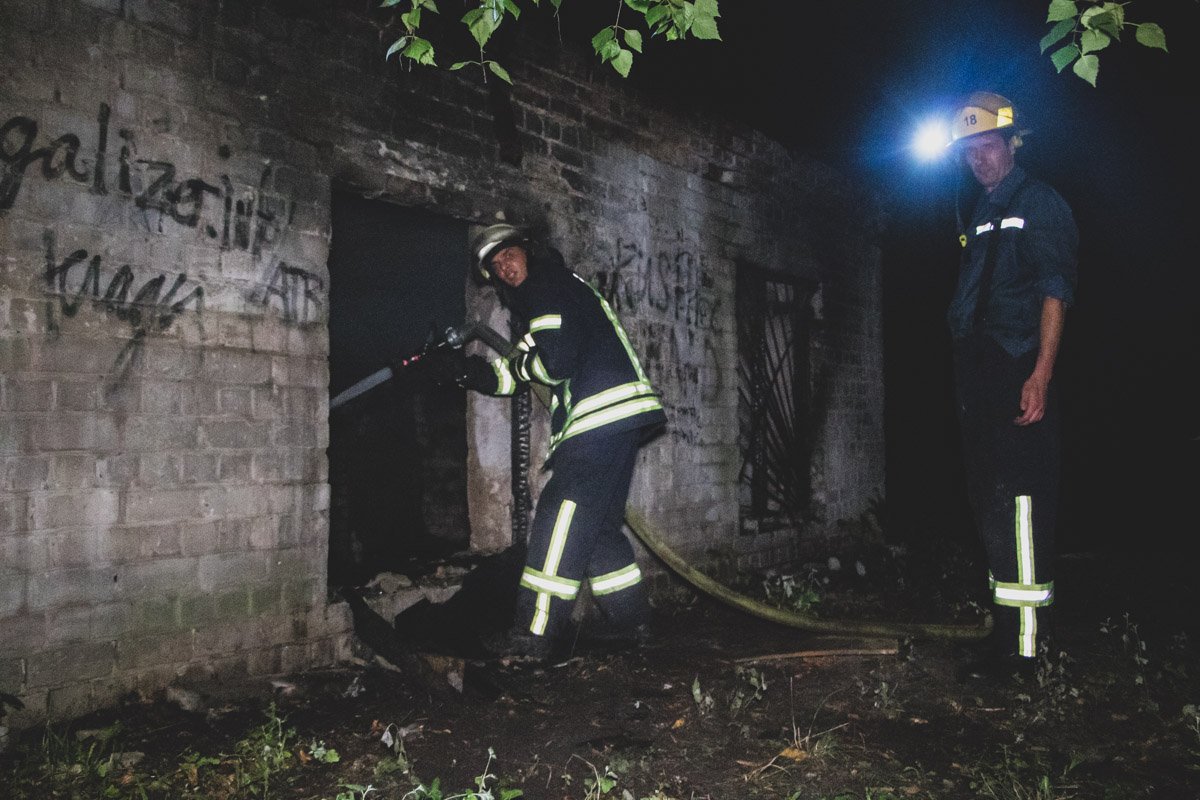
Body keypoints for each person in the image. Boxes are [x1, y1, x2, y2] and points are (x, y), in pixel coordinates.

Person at [451, 223, 667, 662]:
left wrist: (529, 363)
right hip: (619, 417)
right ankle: (631, 624)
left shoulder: (545, 285)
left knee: (559, 515)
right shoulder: (549, 298)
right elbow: (526, 367)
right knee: (599, 529)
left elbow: (557, 361)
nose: (504, 268)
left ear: (526, 251)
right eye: (495, 267)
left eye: (508, 256)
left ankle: (533, 633)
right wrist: (473, 374)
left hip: (600, 417)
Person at [944, 92, 1078, 682]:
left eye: (988, 145)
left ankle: (1025, 652)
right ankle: (1006, 638)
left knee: (1021, 502)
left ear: (1012, 143)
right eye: (970, 150)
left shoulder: (1039, 202)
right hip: (977, 370)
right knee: (991, 502)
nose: (979, 158)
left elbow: (1055, 289)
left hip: (1017, 365)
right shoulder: (981, 209)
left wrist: (1040, 374)